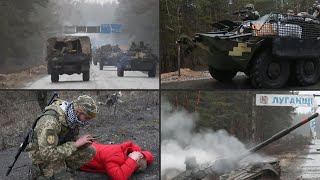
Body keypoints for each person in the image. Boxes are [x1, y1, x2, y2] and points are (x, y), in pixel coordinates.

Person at [26, 95, 98, 180]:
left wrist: (79, 141)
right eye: (86, 117)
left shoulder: (72, 118)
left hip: (58, 149)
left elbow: (69, 137)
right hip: (42, 157)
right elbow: (47, 154)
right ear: (78, 111)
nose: (87, 121)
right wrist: (76, 144)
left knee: (89, 151)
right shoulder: (50, 122)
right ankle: (40, 173)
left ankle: (63, 169)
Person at [80, 141, 154, 180]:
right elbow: (119, 177)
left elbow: (150, 156)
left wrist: (141, 155)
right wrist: (132, 160)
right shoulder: (113, 159)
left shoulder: (129, 149)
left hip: (91, 147)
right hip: (81, 154)